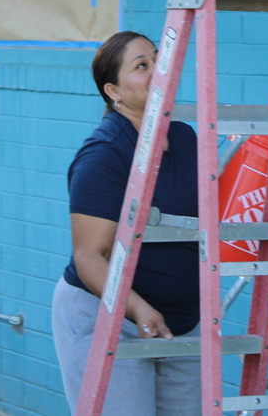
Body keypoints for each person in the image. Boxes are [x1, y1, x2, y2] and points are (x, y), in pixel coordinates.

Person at [52, 31, 202, 416]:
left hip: (180, 325)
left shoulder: (185, 137)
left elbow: (216, 222)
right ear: (113, 91)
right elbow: (90, 257)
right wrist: (137, 309)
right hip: (108, 319)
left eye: (158, 58)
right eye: (142, 66)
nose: (158, 70)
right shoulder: (104, 155)